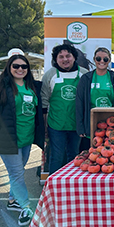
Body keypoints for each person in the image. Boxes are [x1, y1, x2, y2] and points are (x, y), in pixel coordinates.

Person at [0, 54, 44, 226]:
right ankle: (25, 207)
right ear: (9, 67)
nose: (20, 69)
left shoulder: (33, 86)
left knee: (18, 171)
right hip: (8, 140)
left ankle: (12, 200)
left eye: (24, 66)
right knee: (16, 174)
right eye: (16, 66)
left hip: (26, 138)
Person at [41, 43, 88, 174]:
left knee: (75, 156)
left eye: (68, 56)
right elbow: (44, 102)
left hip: (77, 125)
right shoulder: (50, 75)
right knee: (56, 156)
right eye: (60, 57)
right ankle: (54, 186)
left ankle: (71, 185)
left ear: (74, 57)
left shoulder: (84, 74)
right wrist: (44, 126)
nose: (65, 59)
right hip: (56, 125)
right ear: (56, 59)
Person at [76, 47, 114, 151]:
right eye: (99, 59)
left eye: (105, 59)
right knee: (91, 156)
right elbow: (79, 103)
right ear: (94, 59)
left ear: (109, 60)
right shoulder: (86, 79)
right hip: (90, 123)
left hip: (111, 124)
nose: (102, 61)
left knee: (109, 155)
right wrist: (80, 127)